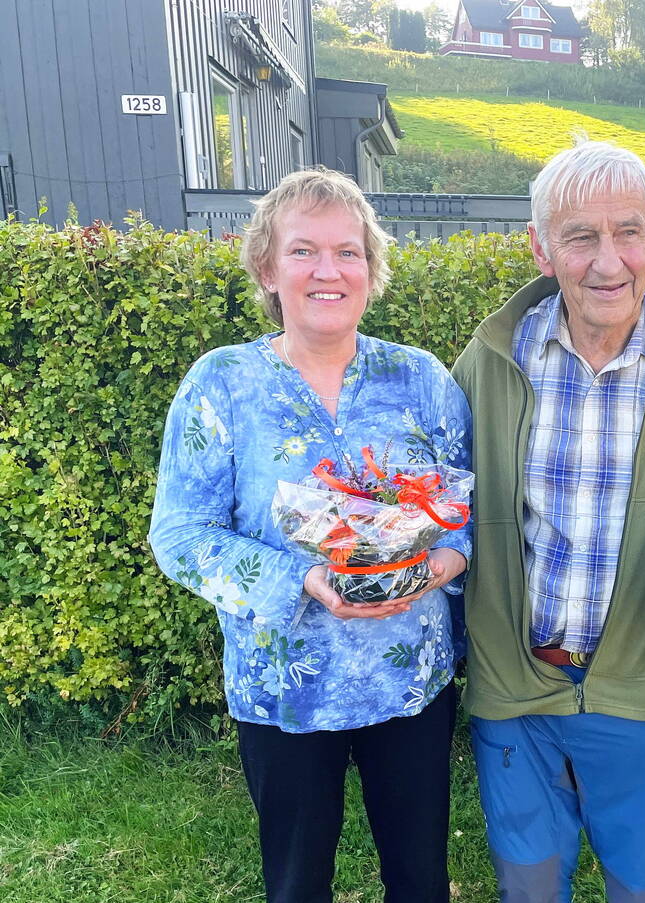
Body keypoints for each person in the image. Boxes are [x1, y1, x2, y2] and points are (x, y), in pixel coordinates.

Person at [149, 167, 471, 903]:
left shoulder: (419, 379)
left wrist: (439, 564)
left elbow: (470, 510)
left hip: (410, 678)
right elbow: (180, 533)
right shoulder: (222, 383)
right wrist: (298, 578)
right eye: (303, 251)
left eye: (347, 252)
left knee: (419, 880)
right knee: (296, 885)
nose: (328, 270)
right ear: (268, 266)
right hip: (284, 687)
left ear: (371, 268)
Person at [450, 140, 645, 902]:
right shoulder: (488, 360)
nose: (608, 261)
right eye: (580, 236)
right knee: (528, 889)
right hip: (517, 688)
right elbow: (437, 506)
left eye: (628, 231)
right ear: (541, 247)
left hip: (643, 690)